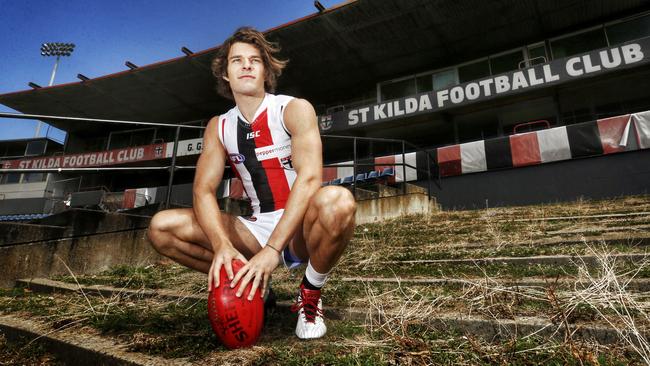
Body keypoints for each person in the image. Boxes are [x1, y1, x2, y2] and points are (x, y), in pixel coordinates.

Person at [147, 27, 356, 339]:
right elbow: (203, 191)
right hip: (255, 229)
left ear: (266, 72)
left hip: (299, 225)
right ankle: (253, 283)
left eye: (254, 61)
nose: (246, 65)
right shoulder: (219, 126)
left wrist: (274, 250)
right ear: (226, 74)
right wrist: (221, 245)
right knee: (161, 228)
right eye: (237, 60)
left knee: (338, 202)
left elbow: (311, 177)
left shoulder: (293, 109)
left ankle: (309, 294)